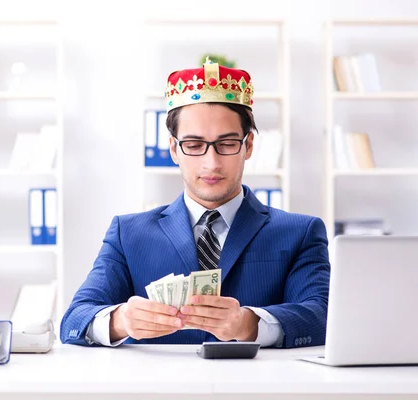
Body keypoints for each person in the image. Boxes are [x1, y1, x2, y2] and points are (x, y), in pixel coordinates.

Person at [60, 57, 330, 348]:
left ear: (249, 145)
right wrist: (120, 320)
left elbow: (322, 317)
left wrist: (249, 323)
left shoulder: (300, 232)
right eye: (194, 145)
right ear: (174, 149)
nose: (211, 163)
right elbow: (74, 320)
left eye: (227, 144)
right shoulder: (128, 233)